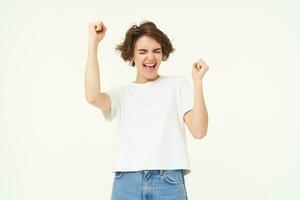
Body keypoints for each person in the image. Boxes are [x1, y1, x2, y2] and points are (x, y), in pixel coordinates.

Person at [84, 20, 209, 200]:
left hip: (168, 182)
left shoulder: (177, 85)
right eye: (142, 51)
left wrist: (198, 83)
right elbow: (92, 96)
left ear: (163, 53)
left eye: (156, 51)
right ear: (131, 56)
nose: (150, 58)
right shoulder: (122, 93)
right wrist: (93, 43)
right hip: (127, 182)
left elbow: (199, 131)